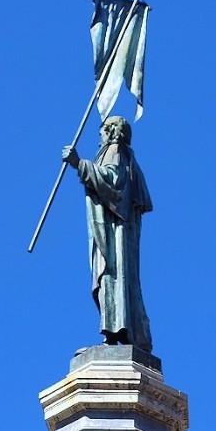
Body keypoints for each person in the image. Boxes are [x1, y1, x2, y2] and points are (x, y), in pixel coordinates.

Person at [63, 116, 153, 353]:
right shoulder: (120, 155)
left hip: (115, 234)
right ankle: (119, 331)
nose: (99, 136)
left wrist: (78, 164)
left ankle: (116, 333)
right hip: (115, 231)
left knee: (112, 276)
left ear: (112, 132)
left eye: (102, 131)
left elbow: (112, 182)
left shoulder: (115, 151)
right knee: (113, 279)